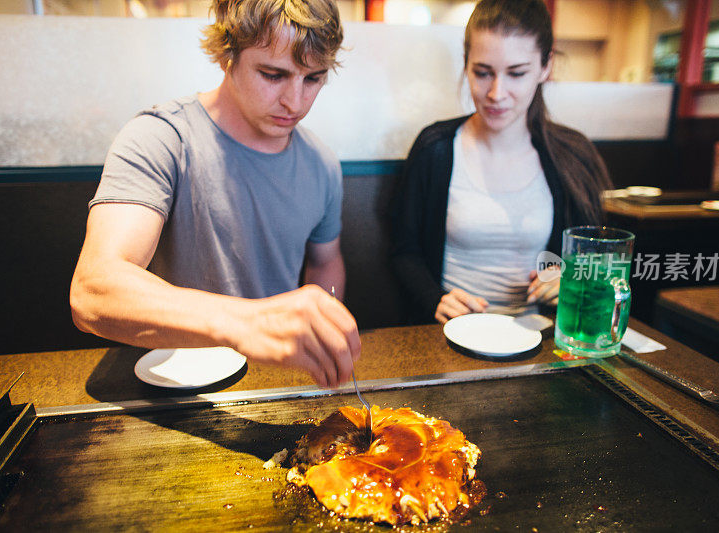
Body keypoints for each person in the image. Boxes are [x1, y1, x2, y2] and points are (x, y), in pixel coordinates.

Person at [70, 0, 360, 389]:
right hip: (175, 378)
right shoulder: (161, 137)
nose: (296, 101)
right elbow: (93, 290)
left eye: (313, 79)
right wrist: (247, 323)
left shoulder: (321, 161)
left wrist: (325, 327)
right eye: (273, 74)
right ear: (228, 55)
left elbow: (326, 263)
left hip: (280, 378)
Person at [390, 0, 612, 325]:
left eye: (516, 73)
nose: (496, 92)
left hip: (540, 340)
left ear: (545, 67)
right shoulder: (435, 148)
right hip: (450, 337)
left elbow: (595, 259)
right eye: (483, 73)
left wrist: (570, 281)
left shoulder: (571, 154)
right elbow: (403, 251)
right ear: (466, 65)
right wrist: (434, 299)